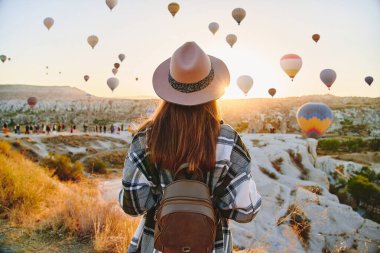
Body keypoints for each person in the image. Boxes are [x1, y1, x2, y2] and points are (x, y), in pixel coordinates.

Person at [119, 42, 261, 253]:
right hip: (211, 245)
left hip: (157, 243)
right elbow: (247, 211)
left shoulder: (147, 137)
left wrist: (164, 198)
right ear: (213, 91)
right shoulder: (229, 140)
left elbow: (132, 204)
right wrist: (210, 200)